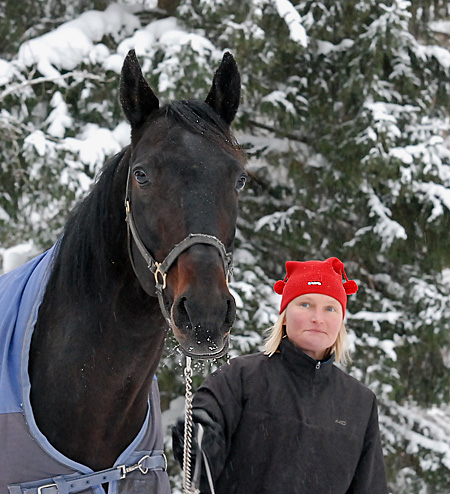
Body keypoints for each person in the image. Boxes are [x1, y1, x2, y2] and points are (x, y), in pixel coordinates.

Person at [172, 257, 389, 494]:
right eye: (305, 304)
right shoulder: (240, 377)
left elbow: (370, 486)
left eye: (330, 308)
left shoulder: (359, 402)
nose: (318, 317)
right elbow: (200, 452)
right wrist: (200, 435)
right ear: (285, 315)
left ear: (341, 320)